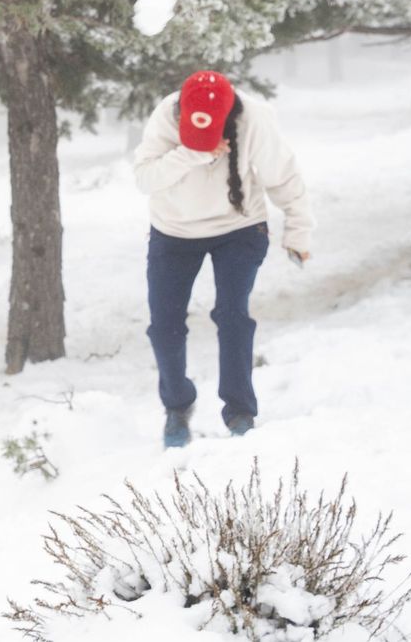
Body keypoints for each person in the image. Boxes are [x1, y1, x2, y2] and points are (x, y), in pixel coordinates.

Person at [131, 70, 313, 448]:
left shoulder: (255, 117)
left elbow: (283, 176)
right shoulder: (166, 114)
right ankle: (177, 405)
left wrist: (297, 230)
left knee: (233, 316)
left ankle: (240, 412)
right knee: (165, 327)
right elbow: (145, 178)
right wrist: (191, 154)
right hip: (174, 232)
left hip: (240, 227)